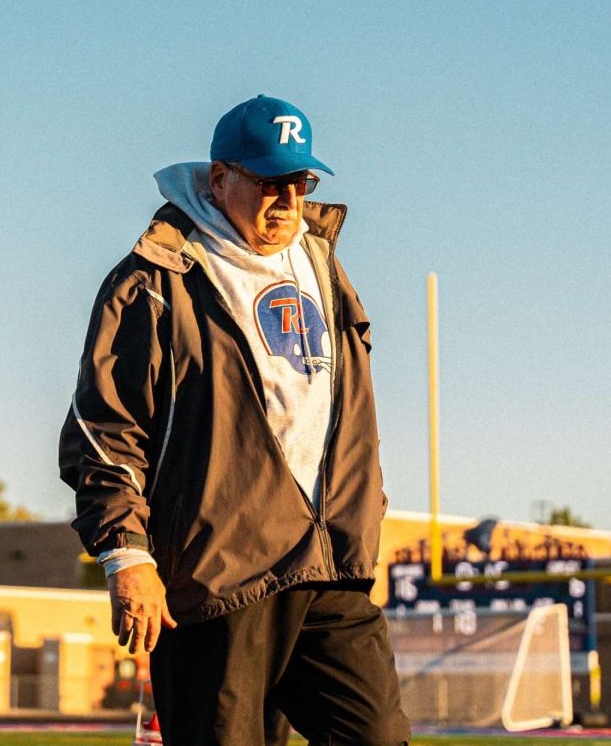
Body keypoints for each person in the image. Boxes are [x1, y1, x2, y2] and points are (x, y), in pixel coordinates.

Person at [59, 95, 410, 745]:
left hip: (325, 562)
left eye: (298, 183)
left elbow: (344, 413)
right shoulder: (156, 280)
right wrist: (126, 556)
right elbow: (104, 430)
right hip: (220, 574)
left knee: (378, 735)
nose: (287, 200)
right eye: (267, 181)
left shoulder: (322, 263)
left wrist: (366, 516)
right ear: (219, 179)